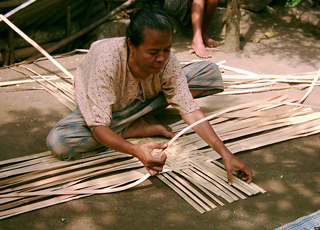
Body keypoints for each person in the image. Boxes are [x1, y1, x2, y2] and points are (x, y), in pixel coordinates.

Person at [46, 7, 252, 185]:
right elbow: (99, 128)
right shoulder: (107, 60)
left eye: (167, 49)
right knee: (59, 141)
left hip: (148, 97)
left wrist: (224, 152)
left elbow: (189, 108)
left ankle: (133, 120)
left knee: (209, 73)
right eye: (153, 52)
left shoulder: (165, 60)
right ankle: (130, 126)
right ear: (132, 47)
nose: (161, 58)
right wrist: (136, 150)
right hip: (113, 108)